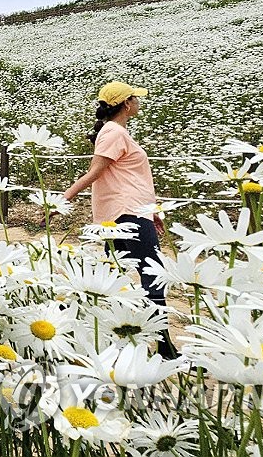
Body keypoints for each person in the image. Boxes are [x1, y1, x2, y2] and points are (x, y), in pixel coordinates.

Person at [61, 81, 177, 358]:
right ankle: (163, 347)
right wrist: (62, 200)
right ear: (127, 104)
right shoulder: (114, 132)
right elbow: (96, 172)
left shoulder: (115, 132)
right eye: (136, 98)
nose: (139, 103)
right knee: (153, 277)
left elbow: (131, 178)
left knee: (112, 276)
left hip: (129, 212)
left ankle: (82, 329)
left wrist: (153, 212)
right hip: (127, 213)